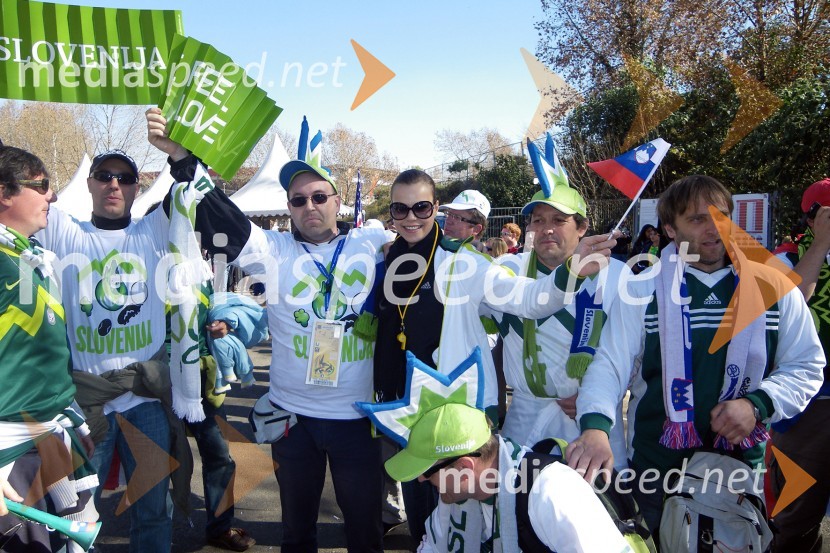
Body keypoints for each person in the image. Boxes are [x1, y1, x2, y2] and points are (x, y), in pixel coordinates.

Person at [147, 108, 391, 553]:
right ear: (288, 207)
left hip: (358, 420)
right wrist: (182, 159)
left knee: (365, 532)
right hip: (293, 420)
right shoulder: (274, 250)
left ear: (337, 201)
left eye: (319, 196)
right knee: (297, 533)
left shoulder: (371, 243)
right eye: (298, 200)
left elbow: (425, 249)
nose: (309, 206)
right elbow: (221, 215)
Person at [569, 175, 825, 538]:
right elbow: (609, 366)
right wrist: (595, 428)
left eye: (721, 216)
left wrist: (756, 405)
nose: (714, 228)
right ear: (670, 229)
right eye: (697, 219)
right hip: (657, 475)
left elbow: (807, 365)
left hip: (739, 475)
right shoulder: (641, 289)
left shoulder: (776, 287)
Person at [373, 169, 618, 543]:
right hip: (406, 414)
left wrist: (572, 271)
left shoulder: (464, 264)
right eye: (400, 209)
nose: (410, 218)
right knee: (424, 523)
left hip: (455, 420)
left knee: (462, 523)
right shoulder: (389, 257)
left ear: (435, 208)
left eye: (420, 208)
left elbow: (529, 300)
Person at [36, 148, 254, 551]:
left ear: (137, 187)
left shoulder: (153, 229)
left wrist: (178, 153)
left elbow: (197, 192)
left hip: (146, 401)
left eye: (124, 178)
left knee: (154, 511)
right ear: (89, 184)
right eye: (104, 175)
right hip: (87, 404)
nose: (114, 184)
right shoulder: (64, 231)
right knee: (74, 519)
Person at [356, 350, 632, 552]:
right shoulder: (454, 498)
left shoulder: (551, 492)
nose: (421, 479)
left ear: (465, 467)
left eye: (428, 471)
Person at [0, 146, 99, 552]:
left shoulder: (31, 256)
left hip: (54, 433)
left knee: (79, 537)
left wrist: (73, 416)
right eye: (41, 185)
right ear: (4, 193)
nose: (52, 195)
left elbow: (47, 355)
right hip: (11, 450)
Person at [490, 185, 630, 469]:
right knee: (516, 493)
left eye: (559, 220)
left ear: (582, 228)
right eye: (538, 220)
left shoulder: (617, 275)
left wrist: (592, 400)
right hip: (525, 417)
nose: (547, 229)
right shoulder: (508, 268)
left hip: (590, 424)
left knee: (596, 495)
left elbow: (627, 354)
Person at [770, 177, 830, 552]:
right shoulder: (785, 258)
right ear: (811, 219)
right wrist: (821, 244)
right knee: (796, 516)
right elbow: (790, 302)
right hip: (807, 406)